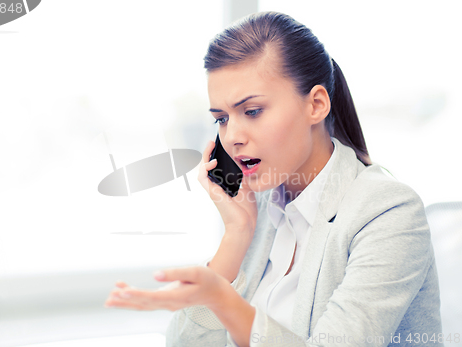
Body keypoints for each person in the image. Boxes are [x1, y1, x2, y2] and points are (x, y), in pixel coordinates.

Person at [104, 11, 443, 346]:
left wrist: (224, 301)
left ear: (316, 105)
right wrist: (236, 237)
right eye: (221, 119)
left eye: (252, 111)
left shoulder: (388, 212)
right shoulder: (258, 208)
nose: (232, 136)